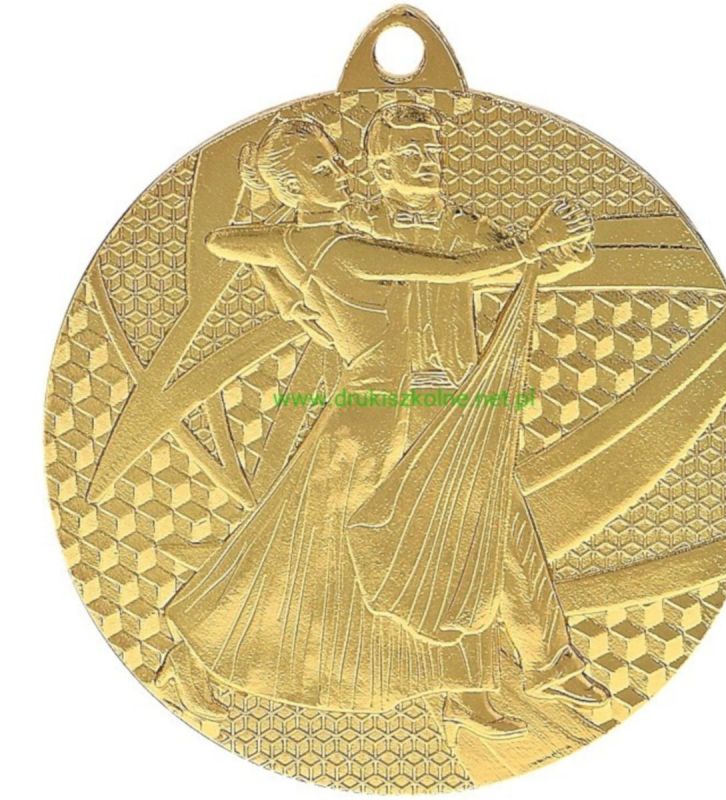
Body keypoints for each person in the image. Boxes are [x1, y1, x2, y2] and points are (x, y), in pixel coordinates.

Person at [155, 118, 580, 738]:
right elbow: (449, 272)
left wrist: (274, 242)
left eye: (336, 160)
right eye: (321, 168)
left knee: (446, 540)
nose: (341, 172)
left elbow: (223, 240)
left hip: (417, 402)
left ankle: (466, 691)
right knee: (325, 554)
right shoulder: (344, 248)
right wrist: (530, 248)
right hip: (376, 420)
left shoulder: (303, 239)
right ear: (294, 188)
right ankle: (191, 661)